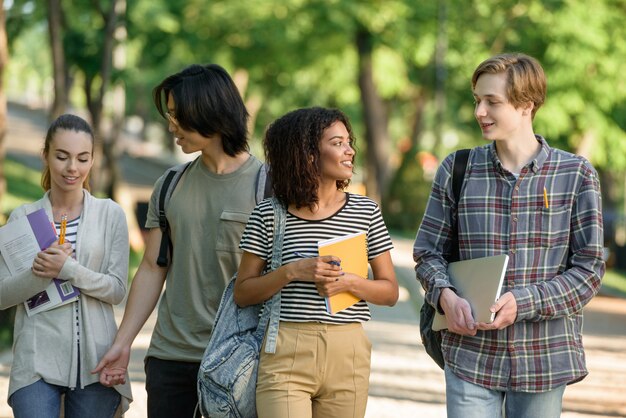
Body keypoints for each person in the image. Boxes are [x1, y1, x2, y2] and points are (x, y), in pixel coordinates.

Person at [413, 52, 605, 418]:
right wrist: (445, 297)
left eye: (492, 102)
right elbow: (427, 253)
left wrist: (525, 302)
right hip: (471, 355)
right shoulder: (457, 169)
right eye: (477, 100)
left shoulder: (575, 174)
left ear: (525, 106)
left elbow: (589, 270)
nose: (479, 111)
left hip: (544, 359)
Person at [93, 63, 266, 418]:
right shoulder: (170, 183)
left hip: (242, 361)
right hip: (170, 358)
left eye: (178, 116)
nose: (170, 126)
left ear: (210, 114)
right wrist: (123, 344)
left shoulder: (269, 187)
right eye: (169, 115)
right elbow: (152, 270)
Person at [234, 106, 399, 418]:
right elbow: (243, 293)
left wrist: (349, 283)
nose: (350, 151)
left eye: (349, 142)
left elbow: (390, 292)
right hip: (285, 351)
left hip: (348, 350)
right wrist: (293, 271)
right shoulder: (269, 214)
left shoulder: (366, 212)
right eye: (337, 143)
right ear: (307, 154)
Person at [0, 114, 133, 417]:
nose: (72, 168)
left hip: (95, 362)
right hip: (35, 361)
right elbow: (2, 294)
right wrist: (40, 272)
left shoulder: (110, 214)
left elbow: (117, 289)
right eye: (62, 156)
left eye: (82, 158)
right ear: (45, 155)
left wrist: (68, 269)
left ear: (92, 161)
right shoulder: (23, 217)